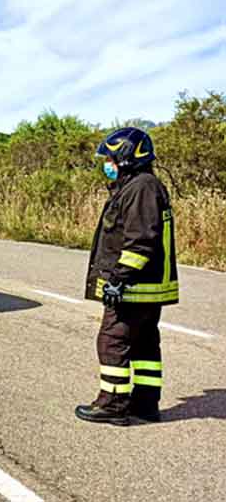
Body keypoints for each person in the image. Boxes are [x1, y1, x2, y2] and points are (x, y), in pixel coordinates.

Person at [76, 128, 178, 426]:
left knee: (112, 340)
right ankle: (145, 403)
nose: (106, 163)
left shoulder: (140, 188)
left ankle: (113, 403)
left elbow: (140, 240)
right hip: (147, 286)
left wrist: (119, 278)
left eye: (109, 157)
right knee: (145, 344)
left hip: (134, 286)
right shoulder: (142, 186)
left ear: (124, 156)